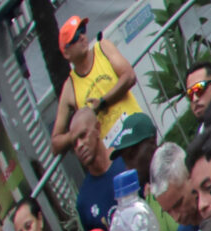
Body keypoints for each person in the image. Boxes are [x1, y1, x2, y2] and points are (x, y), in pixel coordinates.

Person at [52, 15, 149, 150]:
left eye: (82, 31)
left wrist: (103, 102)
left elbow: (129, 76)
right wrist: (77, 131)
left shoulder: (103, 48)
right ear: (67, 53)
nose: (82, 37)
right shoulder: (70, 87)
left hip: (137, 129)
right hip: (113, 154)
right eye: (75, 37)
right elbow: (55, 143)